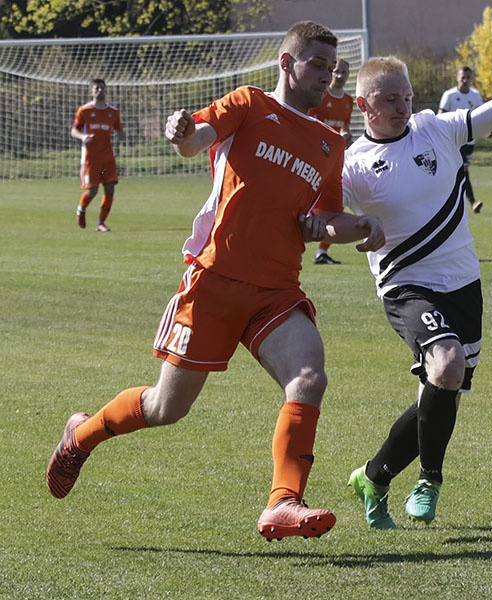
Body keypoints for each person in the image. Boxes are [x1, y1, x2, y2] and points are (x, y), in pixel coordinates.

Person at [46, 21, 385, 542]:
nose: (326, 75)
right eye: (316, 63)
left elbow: (330, 218)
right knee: (166, 408)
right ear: (286, 62)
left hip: (276, 290)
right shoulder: (249, 103)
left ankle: (283, 503)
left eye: (332, 68)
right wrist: (182, 132)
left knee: (309, 379)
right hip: (215, 281)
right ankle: (81, 435)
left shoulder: (328, 143)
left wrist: (353, 227)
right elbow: (196, 141)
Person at [343, 44, 492, 528]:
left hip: (464, 282)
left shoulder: (434, 127)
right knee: (445, 363)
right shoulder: (354, 165)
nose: (402, 106)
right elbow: (325, 217)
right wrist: (358, 227)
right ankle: (430, 480)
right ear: (364, 105)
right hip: (406, 285)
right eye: (389, 99)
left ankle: (374, 476)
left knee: (442, 384)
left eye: (405, 96)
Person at [309, 58, 356, 265]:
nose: (339, 76)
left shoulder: (348, 100)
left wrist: (346, 135)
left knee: (336, 204)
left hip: (334, 159)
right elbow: (309, 123)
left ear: (348, 74)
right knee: (307, 203)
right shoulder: (320, 97)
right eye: (336, 71)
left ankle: (321, 252)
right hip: (313, 156)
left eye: (343, 72)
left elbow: (344, 126)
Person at [71, 78, 124, 232]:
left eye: (102, 88)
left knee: (110, 189)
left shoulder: (113, 112)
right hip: (90, 158)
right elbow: (74, 130)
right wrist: (83, 137)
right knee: (92, 190)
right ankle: (81, 209)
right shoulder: (84, 110)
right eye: (96, 88)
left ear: (105, 90)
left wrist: (121, 135)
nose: (99, 91)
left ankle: (101, 222)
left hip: (107, 158)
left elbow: (118, 130)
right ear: (91, 91)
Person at [439, 66, 485, 213]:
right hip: (451, 141)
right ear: (457, 78)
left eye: (468, 77)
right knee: (462, 171)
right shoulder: (449, 95)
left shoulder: (476, 95)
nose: (465, 80)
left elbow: (482, 116)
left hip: (468, 142)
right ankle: (472, 202)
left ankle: (452, 203)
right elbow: (440, 115)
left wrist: (487, 129)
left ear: (472, 79)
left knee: (458, 172)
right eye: (462, 77)